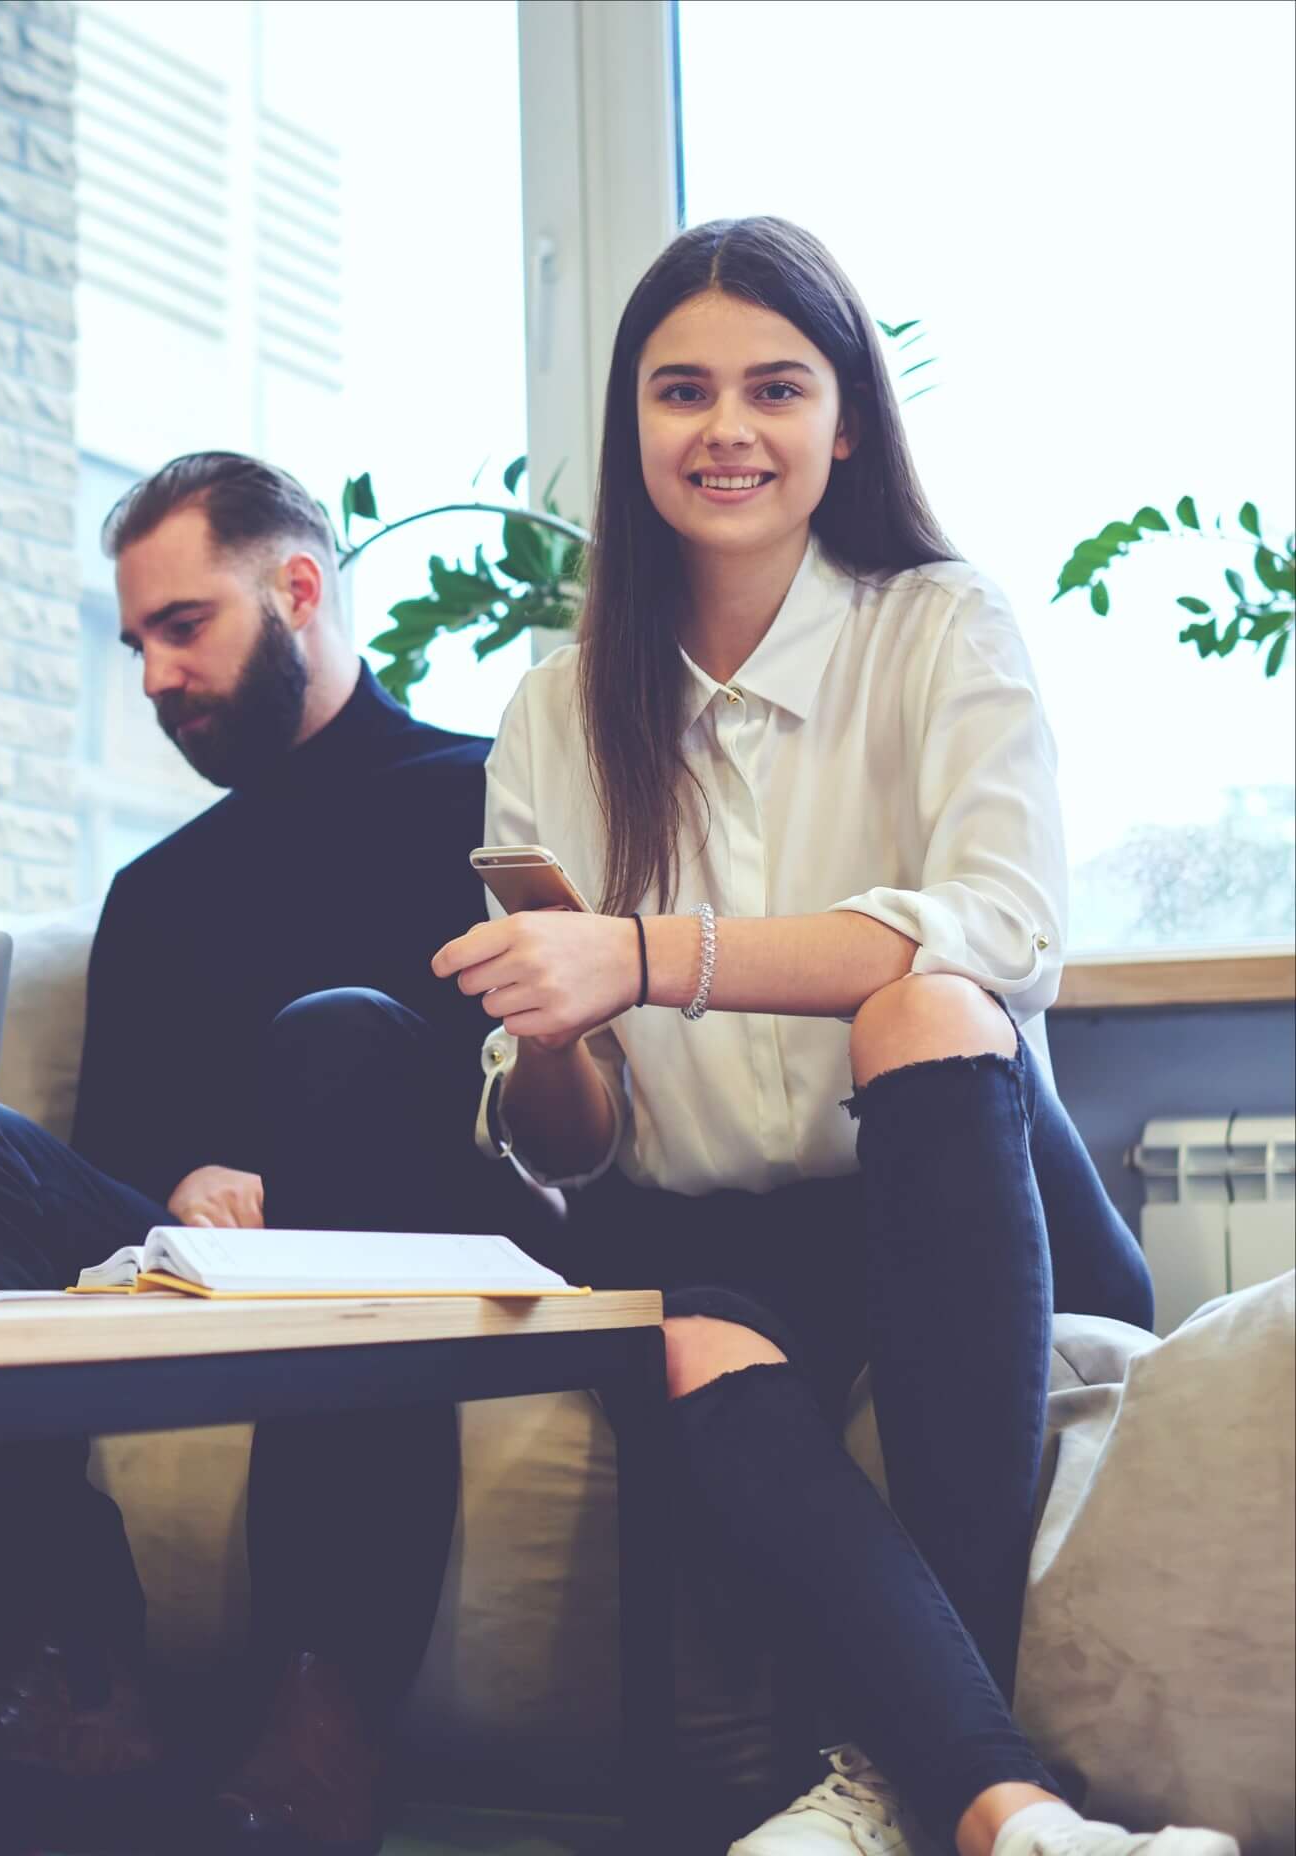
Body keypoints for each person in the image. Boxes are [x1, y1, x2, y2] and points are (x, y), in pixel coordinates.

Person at [291, 215, 1216, 1856]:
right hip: (717, 1227)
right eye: (680, 391)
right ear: (629, 429)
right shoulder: (554, 713)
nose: (726, 429)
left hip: (961, 1184)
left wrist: (642, 954)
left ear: (844, 420)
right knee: (678, 1333)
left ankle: (901, 1769)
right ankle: (999, 1805)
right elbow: (573, 1149)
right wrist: (556, 1021)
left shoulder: (937, 625)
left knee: (924, 994)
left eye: (774, 388)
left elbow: (1001, 937)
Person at [0, 450, 532, 1840]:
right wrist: (178, 1181)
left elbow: (527, 1095)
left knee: (335, 1037)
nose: (153, 677)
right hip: (204, 1267)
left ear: (296, 590)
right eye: (136, 644)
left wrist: (300, 1165)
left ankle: (323, 1698)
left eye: (184, 628)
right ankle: (69, 1662)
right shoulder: (157, 891)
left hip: (420, 1239)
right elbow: (110, 1154)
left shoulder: (482, 803)